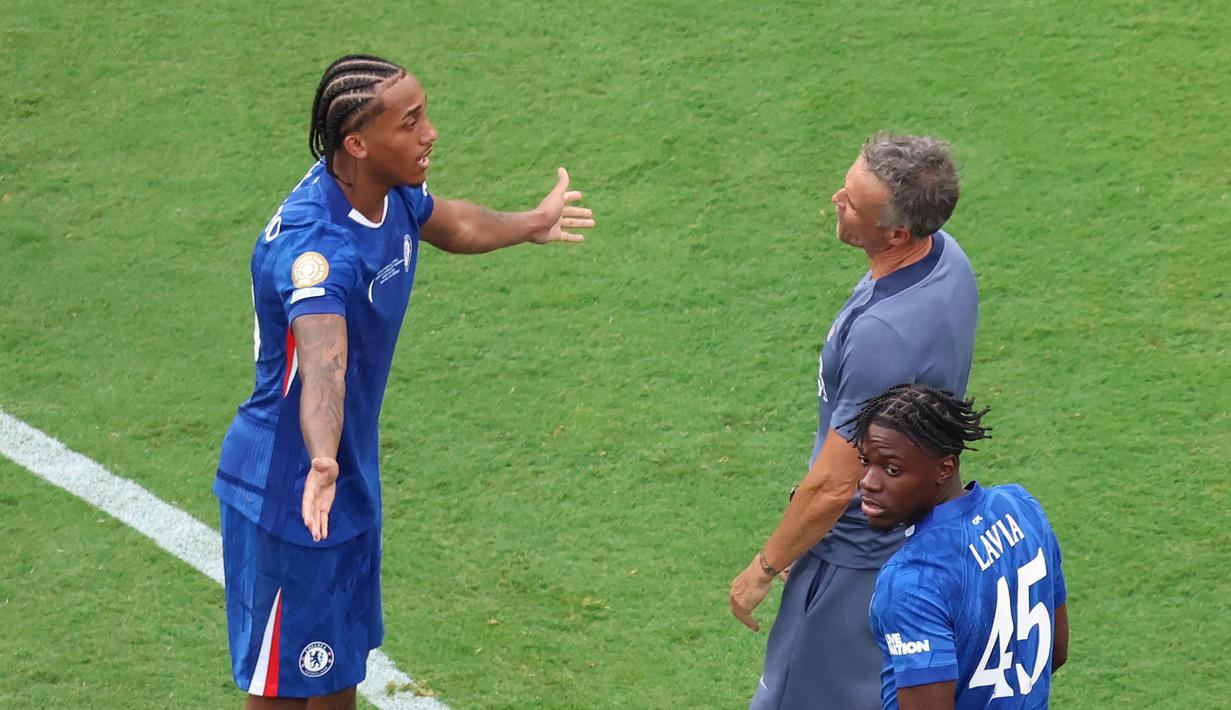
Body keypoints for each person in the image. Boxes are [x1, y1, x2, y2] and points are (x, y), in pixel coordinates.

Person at [211, 54, 595, 709]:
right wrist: (325, 457)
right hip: (290, 486)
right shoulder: (317, 248)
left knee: (339, 669)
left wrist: (530, 224)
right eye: (410, 123)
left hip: (345, 477)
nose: (430, 134)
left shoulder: (383, 194)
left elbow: (453, 224)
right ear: (357, 144)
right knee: (281, 686)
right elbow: (323, 360)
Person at [730, 133, 978, 709]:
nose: (836, 198)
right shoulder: (948, 259)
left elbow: (836, 483)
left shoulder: (884, 335)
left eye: (852, 202)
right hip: (907, 533)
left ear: (896, 232)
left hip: (851, 554)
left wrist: (768, 565)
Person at [852, 384, 1069, 709]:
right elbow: (1056, 651)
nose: (869, 482)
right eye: (865, 461)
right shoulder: (1021, 505)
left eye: (892, 469)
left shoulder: (912, 582)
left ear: (945, 469)